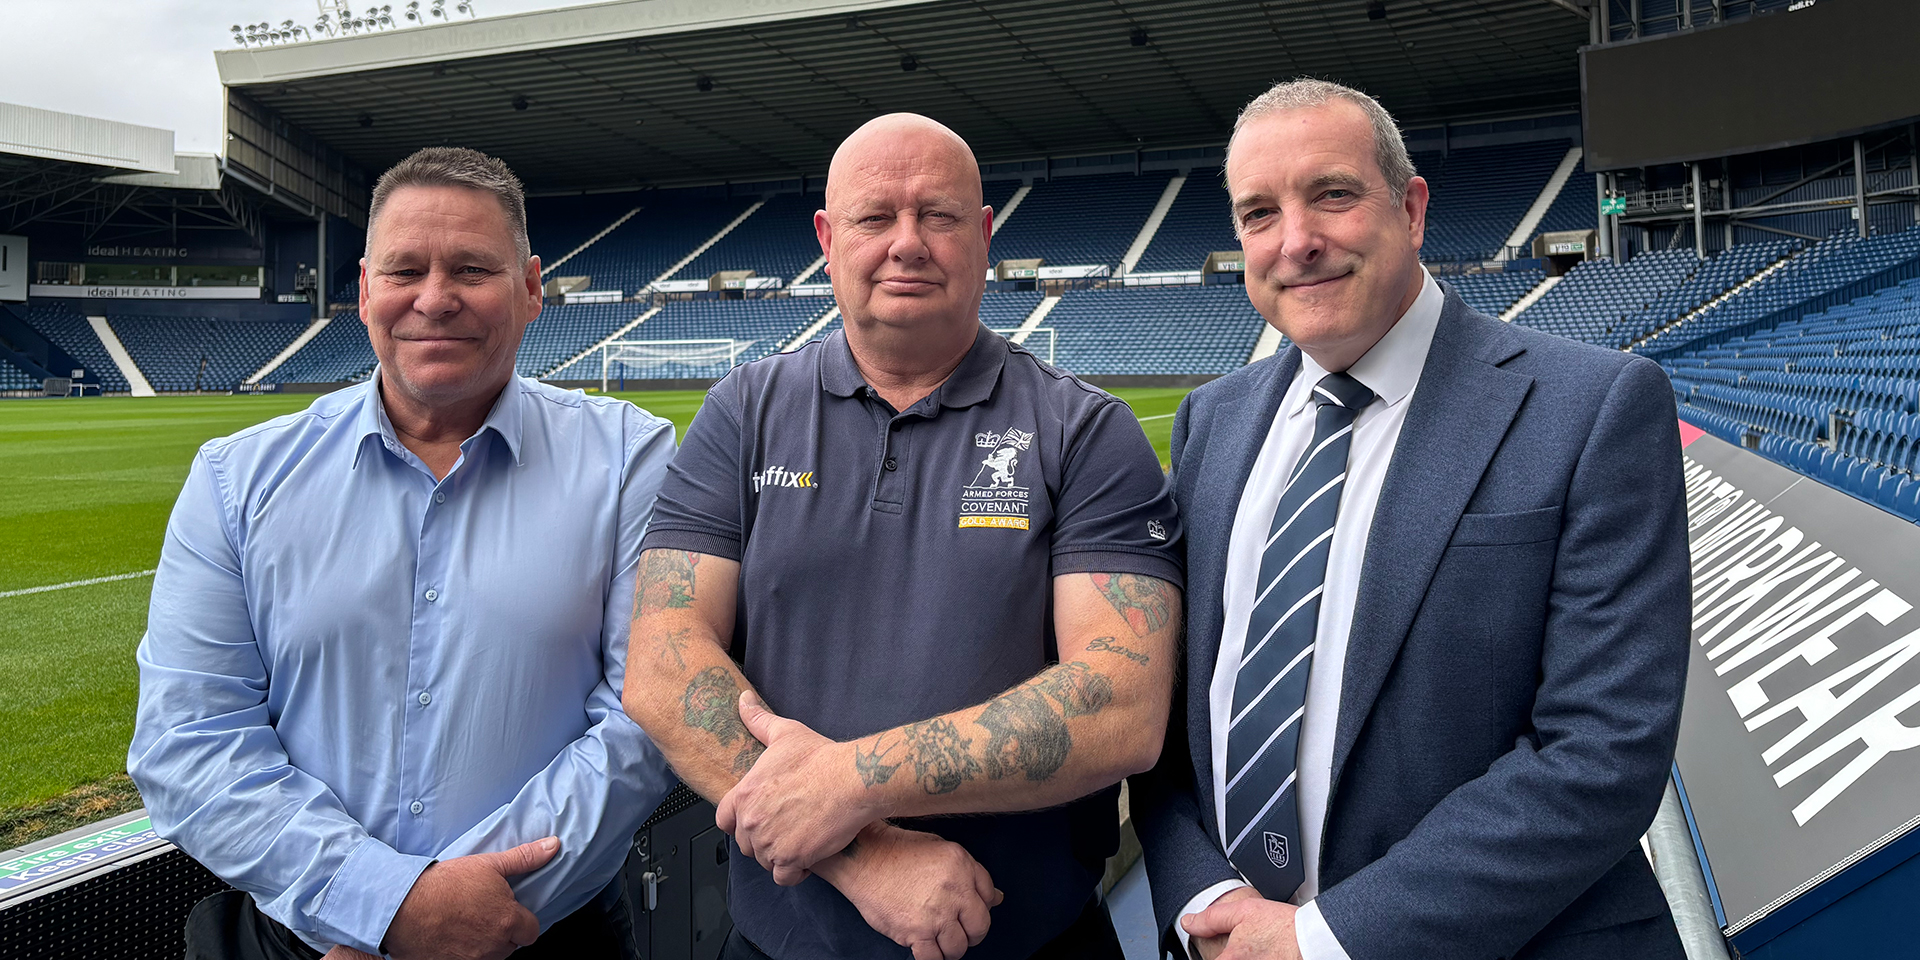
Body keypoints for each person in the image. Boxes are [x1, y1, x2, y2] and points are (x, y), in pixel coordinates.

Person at [1131, 79, 1692, 960]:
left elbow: (1600, 751)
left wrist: (1320, 941)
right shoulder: (1213, 421)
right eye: (1258, 214)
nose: (1297, 242)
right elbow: (1168, 719)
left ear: (1412, 208)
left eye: (1333, 195)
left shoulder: (1594, 407)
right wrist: (1206, 899)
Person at [620, 113, 1184, 960]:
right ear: (826, 237)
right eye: (875, 217)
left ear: (985, 236)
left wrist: (848, 783)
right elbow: (663, 660)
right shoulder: (743, 413)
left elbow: (1121, 703)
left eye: (939, 216)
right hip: (780, 941)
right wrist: (861, 850)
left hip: (1026, 938)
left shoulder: (1086, 432)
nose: (907, 243)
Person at [128, 146, 677, 960]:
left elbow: (645, 718)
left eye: (471, 269)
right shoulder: (234, 481)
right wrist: (384, 906)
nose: (434, 298)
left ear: (530, 290)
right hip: (306, 940)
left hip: (547, 932)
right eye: (405, 269)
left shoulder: (633, 460)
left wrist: (453, 913)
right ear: (363, 291)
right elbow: (189, 740)